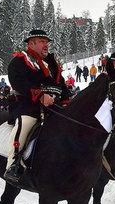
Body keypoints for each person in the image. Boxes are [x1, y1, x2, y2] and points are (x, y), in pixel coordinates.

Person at [4, 29, 69, 184]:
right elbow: (18, 82)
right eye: (42, 42)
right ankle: (13, 164)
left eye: (46, 42)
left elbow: (61, 84)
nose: (46, 45)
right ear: (31, 43)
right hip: (28, 105)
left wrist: (67, 101)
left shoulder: (53, 63)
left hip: (55, 106)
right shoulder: (20, 61)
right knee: (25, 124)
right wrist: (40, 96)